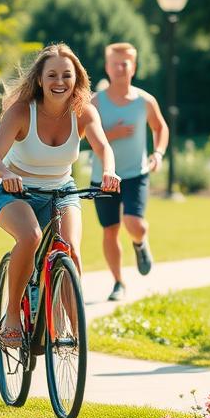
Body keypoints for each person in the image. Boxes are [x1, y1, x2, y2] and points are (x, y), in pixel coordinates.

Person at [0, 43, 120, 347]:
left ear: (77, 79)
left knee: (70, 249)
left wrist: (109, 171)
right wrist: (7, 175)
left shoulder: (83, 112)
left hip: (62, 191)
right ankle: (13, 320)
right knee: (30, 238)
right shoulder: (22, 111)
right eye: (53, 75)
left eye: (67, 75)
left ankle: (73, 333)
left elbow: (103, 148)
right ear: (41, 80)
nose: (60, 82)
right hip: (15, 193)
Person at [90, 43, 169, 301]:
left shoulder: (145, 101)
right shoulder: (95, 102)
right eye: (116, 63)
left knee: (134, 224)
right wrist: (111, 134)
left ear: (133, 67)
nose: (121, 68)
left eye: (126, 63)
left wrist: (157, 153)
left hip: (136, 174)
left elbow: (160, 128)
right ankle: (118, 282)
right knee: (110, 230)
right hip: (103, 177)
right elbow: (82, 136)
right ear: (107, 67)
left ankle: (140, 242)